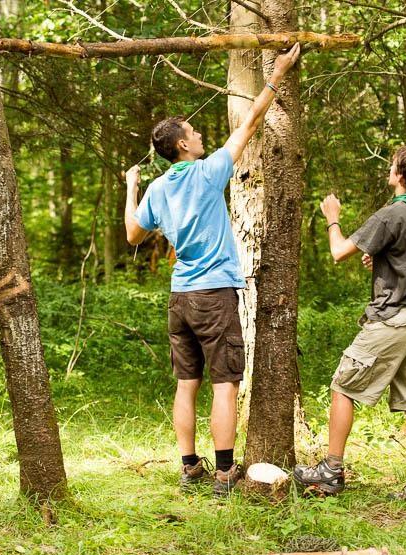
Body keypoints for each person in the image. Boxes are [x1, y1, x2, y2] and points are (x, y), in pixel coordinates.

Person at [123, 43, 302, 497]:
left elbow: (132, 234)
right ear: (183, 145)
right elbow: (250, 123)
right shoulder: (207, 172)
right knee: (225, 384)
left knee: (187, 384)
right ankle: (224, 474)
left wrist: (131, 187)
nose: (201, 135)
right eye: (194, 132)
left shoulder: (159, 189)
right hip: (215, 295)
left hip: (180, 298)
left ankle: (189, 469)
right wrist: (276, 73)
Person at [293, 145, 406, 500]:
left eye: (393, 166)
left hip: (393, 319)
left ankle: (330, 471)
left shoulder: (392, 214)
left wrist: (332, 218)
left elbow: (339, 252)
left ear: (400, 176)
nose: (390, 168)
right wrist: (383, 258)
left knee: (343, 385)